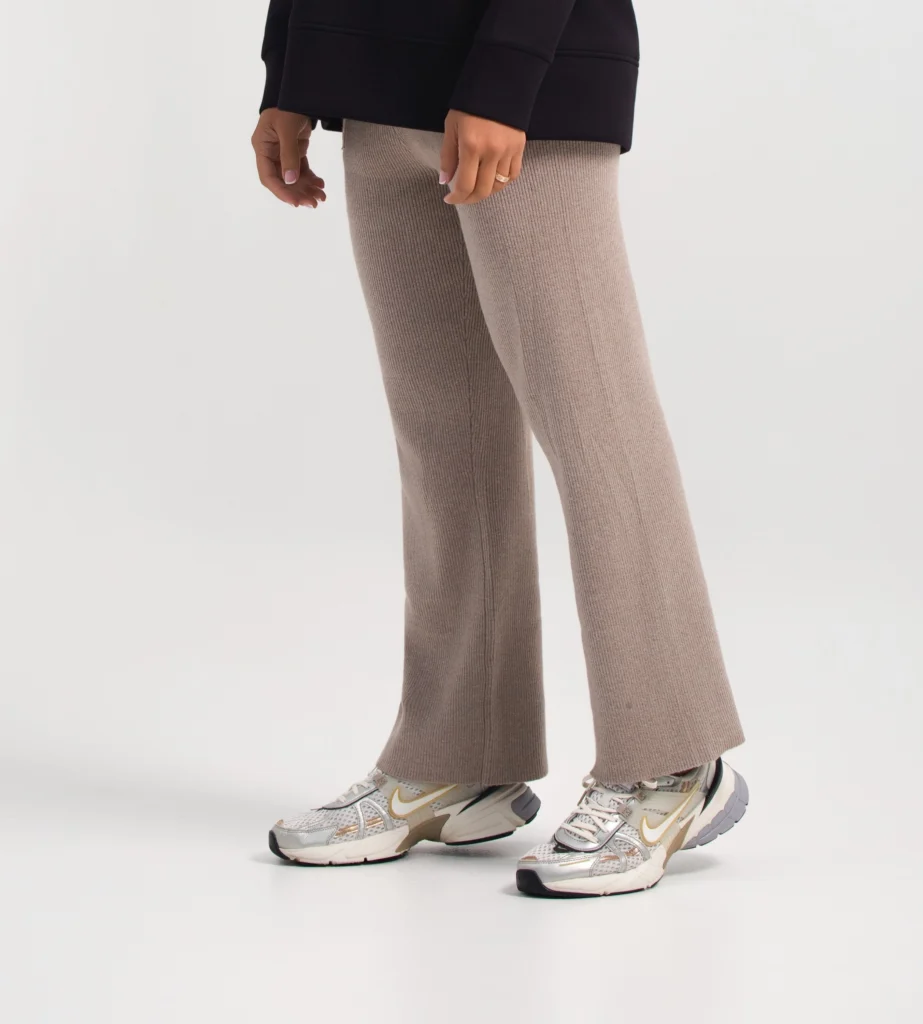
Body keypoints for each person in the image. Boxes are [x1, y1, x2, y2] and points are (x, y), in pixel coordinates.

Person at [254, 0, 747, 898]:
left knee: (595, 427)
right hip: (371, 76)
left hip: (525, 86)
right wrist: (287, 69)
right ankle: (459, 756)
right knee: (443, 438)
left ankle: (673, 761)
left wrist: (506, 74)